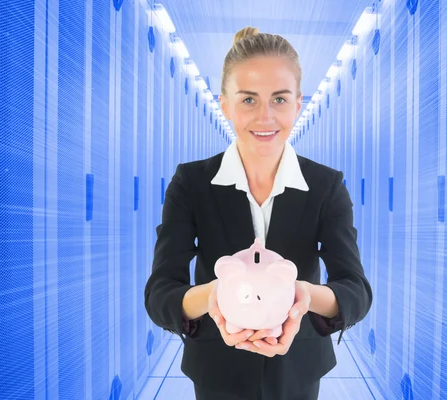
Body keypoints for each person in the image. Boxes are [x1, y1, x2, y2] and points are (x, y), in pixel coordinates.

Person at [145, 26, 373, 400]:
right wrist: (214, 297)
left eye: (279, 99)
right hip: (217, 370)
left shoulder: (325, 186)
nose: (265, 117)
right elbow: (160, 292)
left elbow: (355, 290)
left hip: (298, 370)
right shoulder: (191, 183)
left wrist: (302, 296)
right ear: (225, 104)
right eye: (248, 100)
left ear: (298, 104)